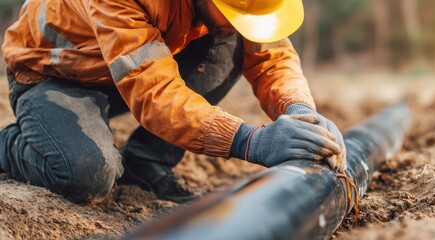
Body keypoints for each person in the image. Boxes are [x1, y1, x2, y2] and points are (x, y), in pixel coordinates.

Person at [0, 0, 346, 204]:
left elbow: (271, 56)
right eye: (234, 14)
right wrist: (249, 141)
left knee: (231, 41)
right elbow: (153, 91)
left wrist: (299, 111)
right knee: (87, 176)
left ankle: (145, 162)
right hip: (55, 74)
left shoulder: (234, 6)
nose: (240, 25)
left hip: (124, 70)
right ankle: (9, 143)